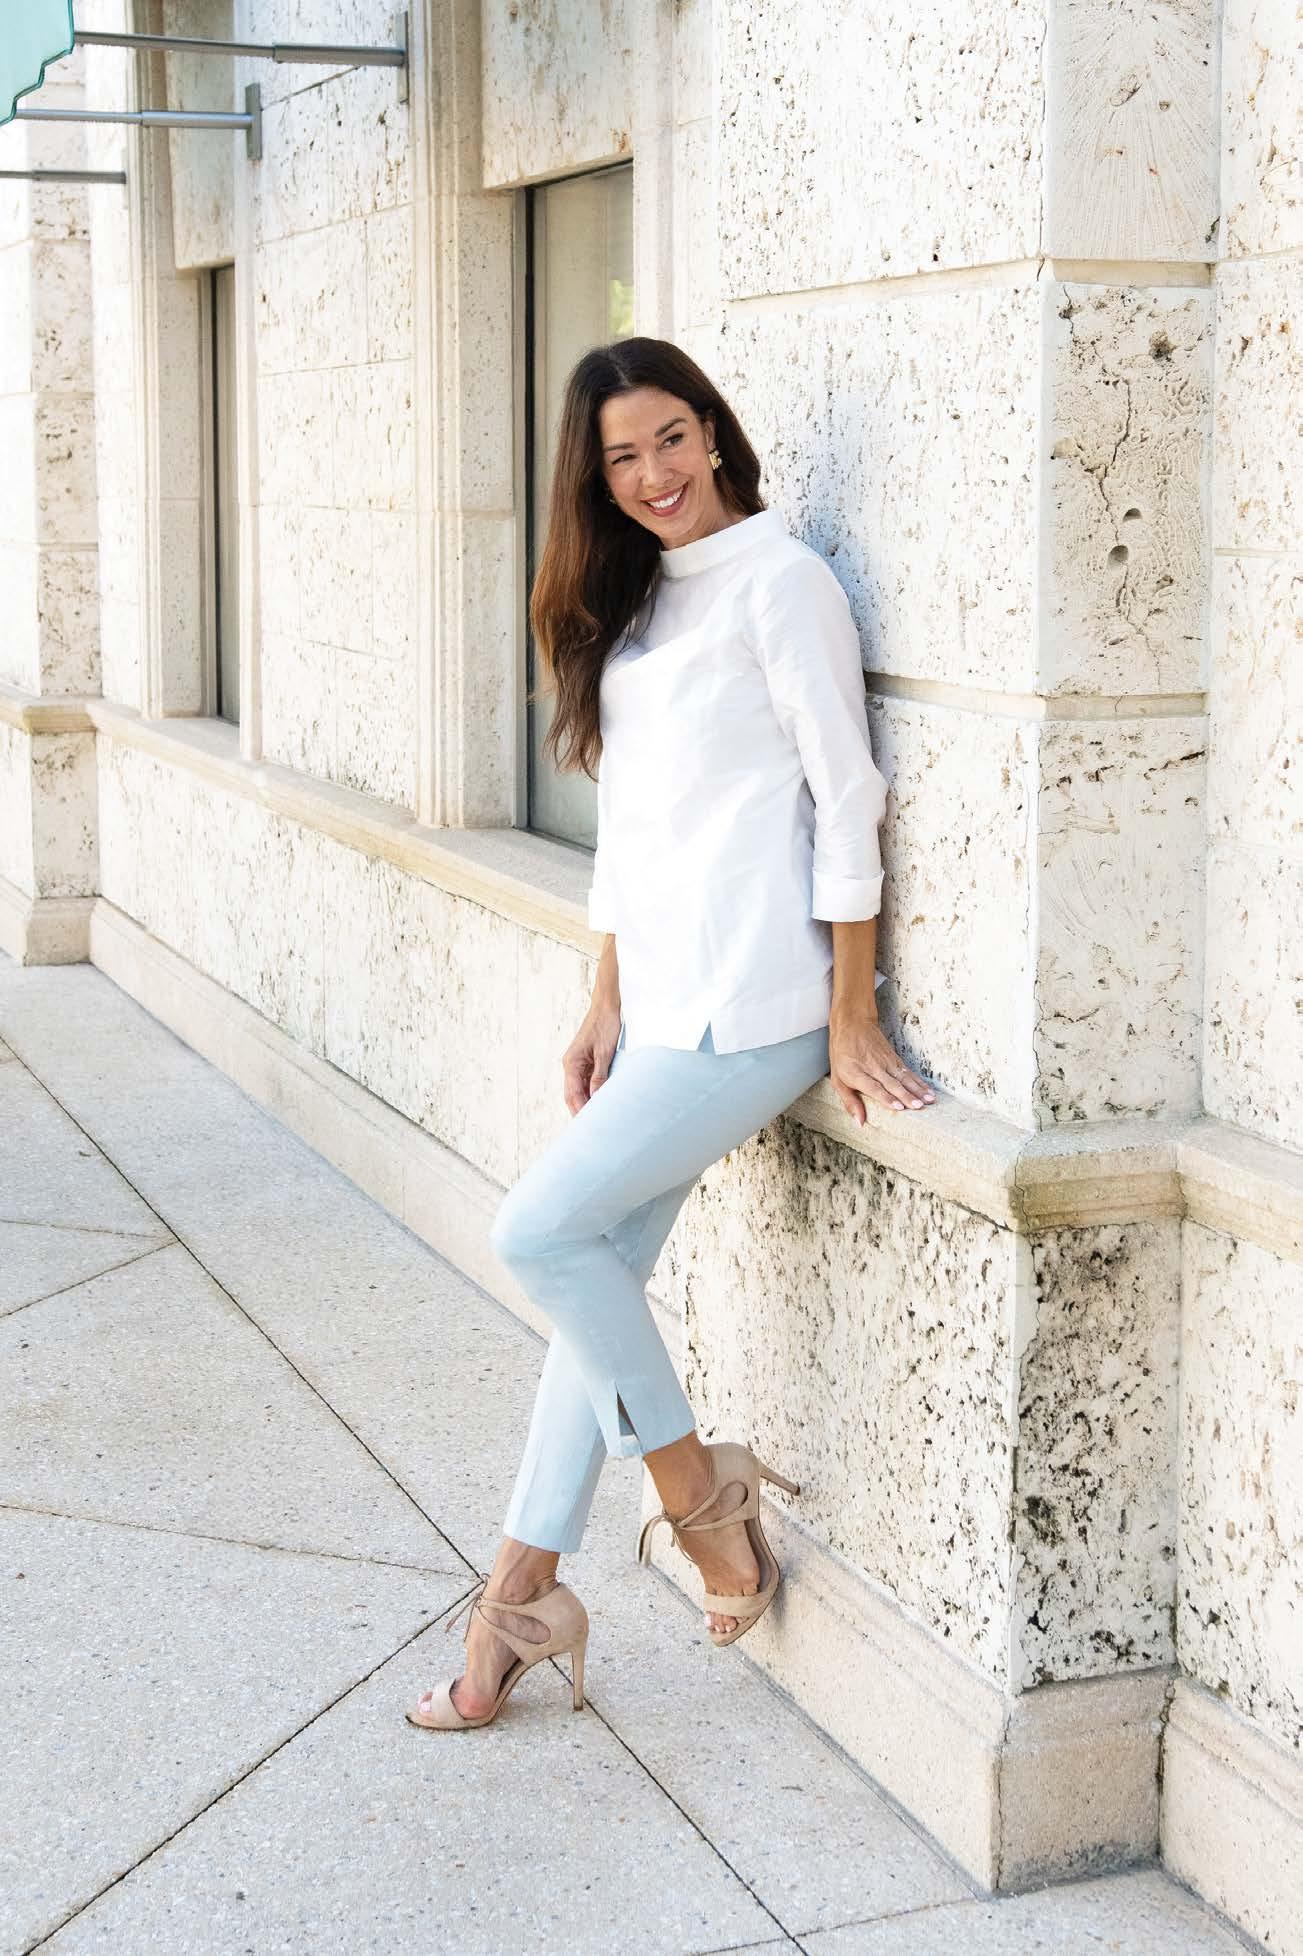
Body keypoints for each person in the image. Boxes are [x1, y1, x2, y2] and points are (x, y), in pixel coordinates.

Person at [408, 336, 935, 1732]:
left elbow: (849, 799)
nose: (653, 475)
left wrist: (851, 1009)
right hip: (663, 1015)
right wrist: (605, 996)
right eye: (622, 458)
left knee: (540, 1234)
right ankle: (514, 1606)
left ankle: (702, 1502)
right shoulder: (639, 608)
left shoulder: (783, 582)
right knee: (597, 1299)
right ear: (595, 481)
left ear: (713, 432)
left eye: (670, 440)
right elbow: (634, 835)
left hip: (755, 1013)